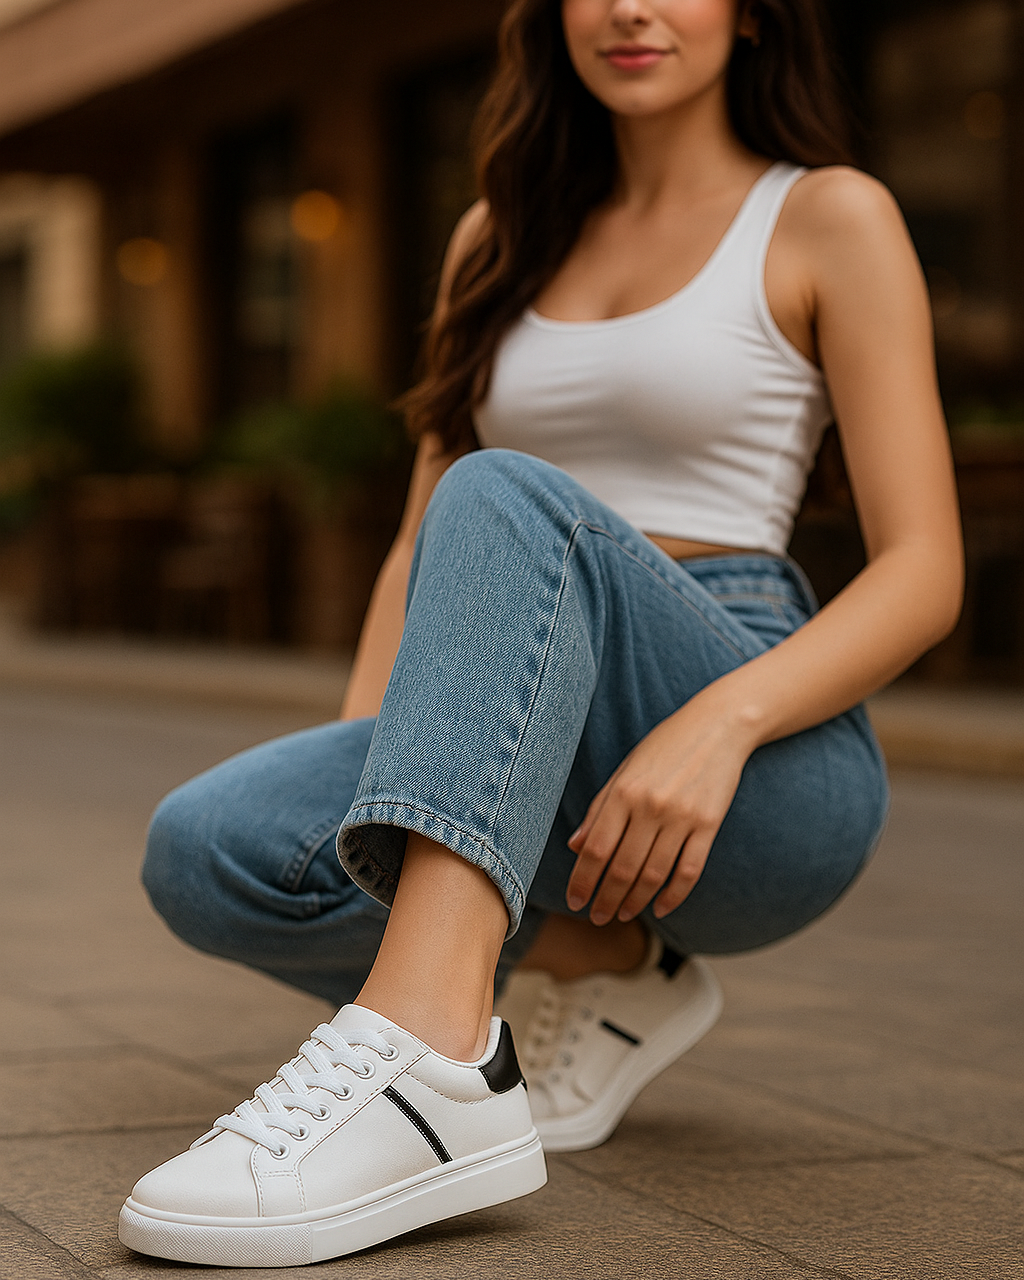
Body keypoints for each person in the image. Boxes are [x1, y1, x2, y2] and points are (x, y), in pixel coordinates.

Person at [118, 0, 964, 1268]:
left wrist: (717, 721)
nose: (628, 6)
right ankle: (611, 961)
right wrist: (376, 761)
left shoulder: (826, 213)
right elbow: (417, 547)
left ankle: (429, 1065)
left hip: (753, 727)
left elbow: (924, 569)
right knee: (206, 845)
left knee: (505, 490)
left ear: (750, 15)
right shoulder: (493, 238)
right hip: (508, 703)